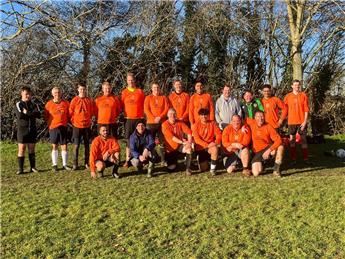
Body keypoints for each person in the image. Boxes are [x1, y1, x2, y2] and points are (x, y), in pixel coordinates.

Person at [248, 111, 284, 177]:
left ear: (264, 117)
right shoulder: (251, 124)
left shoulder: (268, 126)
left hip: (266, 149)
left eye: (262, 116)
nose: (260, 118)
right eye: (258, 116)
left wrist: (269, 150)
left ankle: (276, 170)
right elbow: (238, 121)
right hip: (257, 152)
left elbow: (279, 140)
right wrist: (242, 128)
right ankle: (263, 165)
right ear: (255, 118)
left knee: (280, 147)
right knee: (256, 173)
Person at [121, 72, 145, 168]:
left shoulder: (140, 91)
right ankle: (127, 159)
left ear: (134, 80)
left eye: (132, 80)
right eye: (129, 80)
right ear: (127, 81)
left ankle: (142, 158)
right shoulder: (124, 92)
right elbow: (121, 106)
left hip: (138, 119)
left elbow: (144, 104)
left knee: (140, 139)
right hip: (128, 119)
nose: (130, 82)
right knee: (128, 140)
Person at [69, 82, 95, 170]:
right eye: (81, 89)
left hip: (86, 126)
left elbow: (91, 112)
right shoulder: (74, 100)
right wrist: (74, 121)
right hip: (77, 126)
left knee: (87, 145)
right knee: (76, 145)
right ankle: (75, 164)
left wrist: (88, 120)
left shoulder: (89, 100)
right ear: (78, 90)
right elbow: (70, 112)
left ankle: (86, 163)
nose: (82, 91)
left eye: (84, 89)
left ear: (86, 90)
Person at [15, 86, 41, 174]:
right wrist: (31, 114)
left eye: (29, 94)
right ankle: (20, 169)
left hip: (32, 130)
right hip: (22, 131)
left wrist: (27, 112)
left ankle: (33, 167)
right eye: (26, 94)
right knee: (21, 149)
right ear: (21, 94)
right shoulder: (19, 104)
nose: (28, 96)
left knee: (32, 149)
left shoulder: (34, 104)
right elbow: (20, 116)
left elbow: (38, 114)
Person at [284, 79, 310, 164]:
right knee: (292, 140)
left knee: (303, 140)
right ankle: (293, 159)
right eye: (295, 85)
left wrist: (305, 121)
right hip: (291, 122)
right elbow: (284, 109)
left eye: (298, 85)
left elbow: (306, 109)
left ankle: (306, 159)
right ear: (292, 86)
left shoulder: (303, 95)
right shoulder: (287, 96)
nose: (297, 86)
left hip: (301, 122)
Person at [45, 87, 71, 172]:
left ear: (61, 93)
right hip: (53, 127)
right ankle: (55, 165)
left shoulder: (66, 103)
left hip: (63, 126)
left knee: (64, 145)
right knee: (54, 146)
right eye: (55, 93)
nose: (57, 94)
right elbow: (46, 116)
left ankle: (65, 165)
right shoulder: (49, 104)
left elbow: (69, 114)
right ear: (52, 94)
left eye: (59, 92)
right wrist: (50, 124)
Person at [161, 108, 193, 175]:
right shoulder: (164, 124)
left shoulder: (180, 122)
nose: (172, 115)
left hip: (179, 146)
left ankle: (188, 168)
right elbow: (173, 138)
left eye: (174, 114)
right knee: (172, 168)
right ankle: (170, 162)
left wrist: (189, 143)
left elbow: (189, 132)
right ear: (167, 115)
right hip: (170, 149)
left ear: (176, 115)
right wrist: (183, 142)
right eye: (170, 114)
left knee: (189, 149)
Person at [144, 82, 169, 164]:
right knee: (149, 141)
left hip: (162, 122)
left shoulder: (163, 97)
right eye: (154, 87)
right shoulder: (148, 98)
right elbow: (146, 109)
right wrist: (153, 118)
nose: (156, 89)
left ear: (159, 88)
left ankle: (163, 159)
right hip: (151, 123)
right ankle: (150, 159)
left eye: (157, 87)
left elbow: (166, 109)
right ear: (151, 89)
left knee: (162, 141)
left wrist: (160, 117)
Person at [192, 108, 222, 176]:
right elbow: (197, 139)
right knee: (204, 169)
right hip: (201, 148)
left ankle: (213, 169)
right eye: (202, 115)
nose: (204, 117)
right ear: (199, 116)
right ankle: (202, 160)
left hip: (211, 147)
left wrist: (215, 142)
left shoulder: (212, 123)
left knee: (215, 149)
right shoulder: (195, 125)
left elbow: (218, 134)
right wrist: (207, 145)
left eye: (205, 115)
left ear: (208, 115)